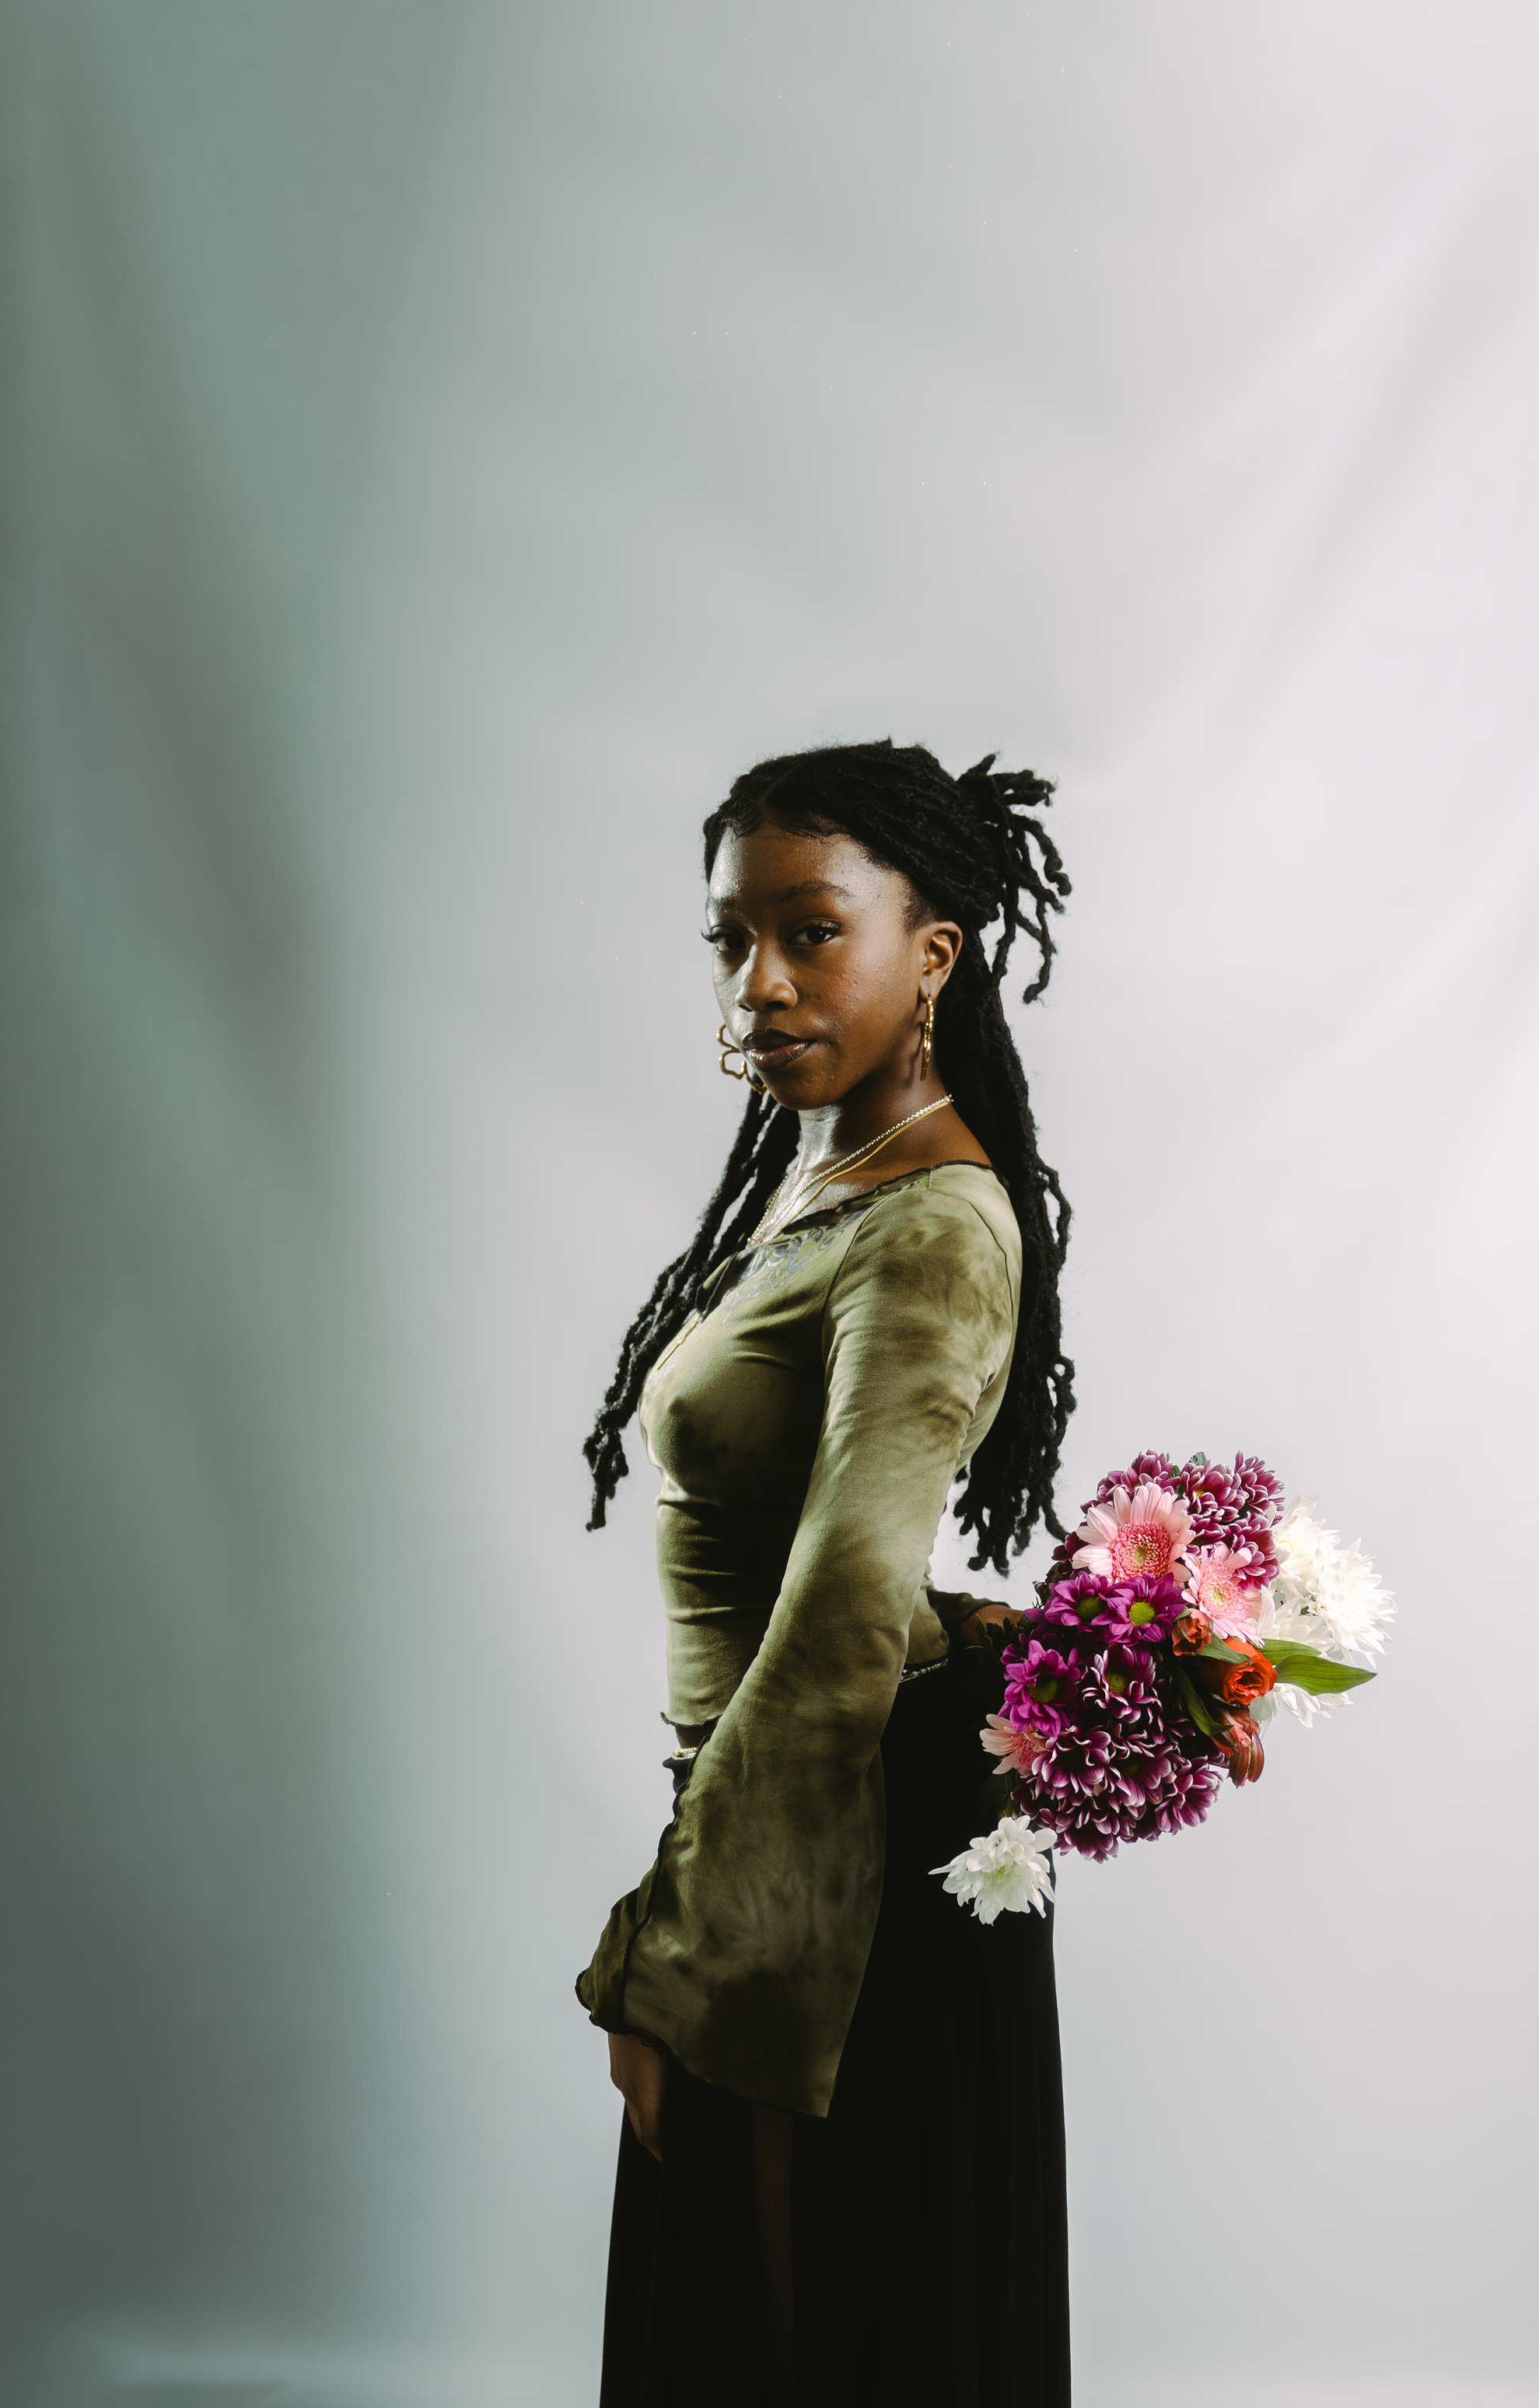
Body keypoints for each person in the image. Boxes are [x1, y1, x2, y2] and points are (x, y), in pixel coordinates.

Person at [576, 740, 1077, 2406]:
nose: (759, 980)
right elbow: (857, 1555)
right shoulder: (836, 1175)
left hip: (829, 1870)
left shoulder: (930, 1220)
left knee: (807, 2351)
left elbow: (842, 1615)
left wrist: (678, 1945)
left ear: (930, 952)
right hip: (783, 1824)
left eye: (810, 932)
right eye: (729, 939)